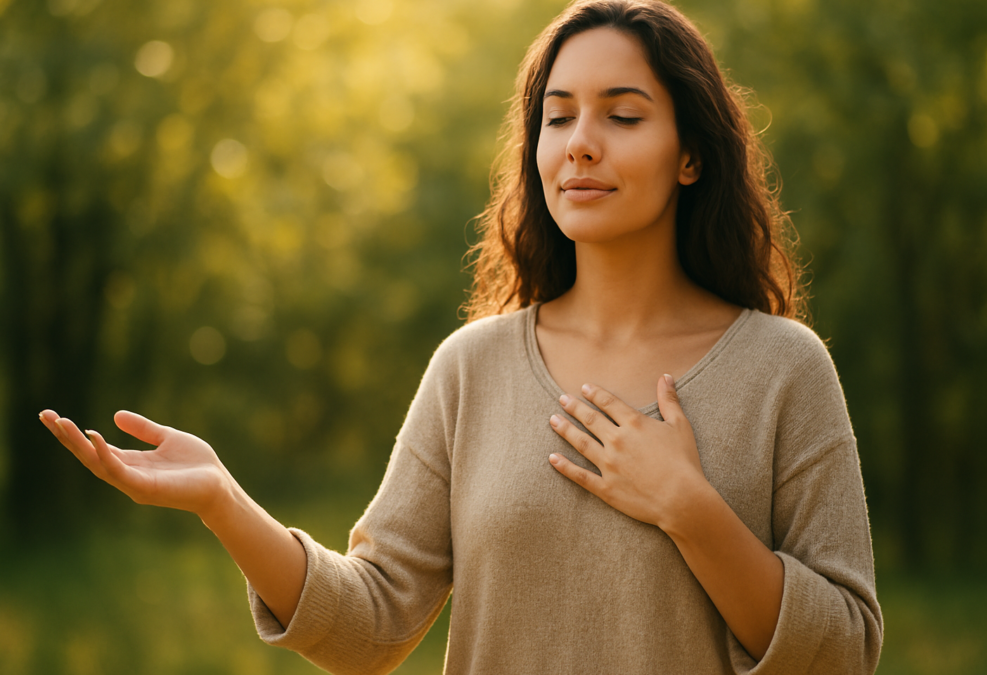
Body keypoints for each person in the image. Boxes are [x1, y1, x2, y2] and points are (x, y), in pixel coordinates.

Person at [40, 0, 883, 673]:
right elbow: (369, 625)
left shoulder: (783, 367)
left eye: (622, 116)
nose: (581, 144)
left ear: (691, 155)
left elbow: (845, 649)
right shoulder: (471, 367)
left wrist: (691, 509)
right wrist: (224, 502)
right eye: (558, 118)